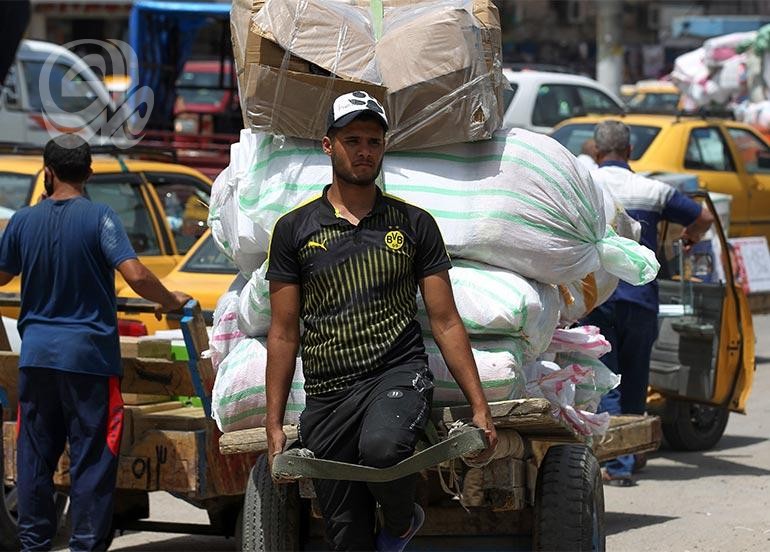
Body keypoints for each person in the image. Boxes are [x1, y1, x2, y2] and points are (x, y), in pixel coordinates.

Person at [264, 91, 498, 551]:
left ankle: (402, 521)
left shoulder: (413, 224)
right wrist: (274, 424)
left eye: (374, 141)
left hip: (396, 374)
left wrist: (480, 406)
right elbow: (283, 333)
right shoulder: (295, 230)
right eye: (352, 140)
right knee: (346, 538)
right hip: (328, 393)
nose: (364, 151)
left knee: (383, 449)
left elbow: (445, 321)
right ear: (328, 146)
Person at [0, 134, 192, 551]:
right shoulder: (101, 217)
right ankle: (85, 546)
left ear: (47, 172)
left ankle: (33, 545)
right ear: (89, 173)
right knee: (91, 458)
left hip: (36, 359)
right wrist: (170, 299)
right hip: (88, 362)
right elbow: (136, 275)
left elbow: (2, 274)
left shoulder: (22, 221)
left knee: (34, 458)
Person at [585, 120, 714, 485]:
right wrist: (690, 238)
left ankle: (616, 463)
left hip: (598, 297)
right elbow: (703, 217)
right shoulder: (652, 190)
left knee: (606, 378)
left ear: (597, 152)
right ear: (629, 151)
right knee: (635, 378)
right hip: (640, 297)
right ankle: (630, 454)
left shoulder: (586, 184)